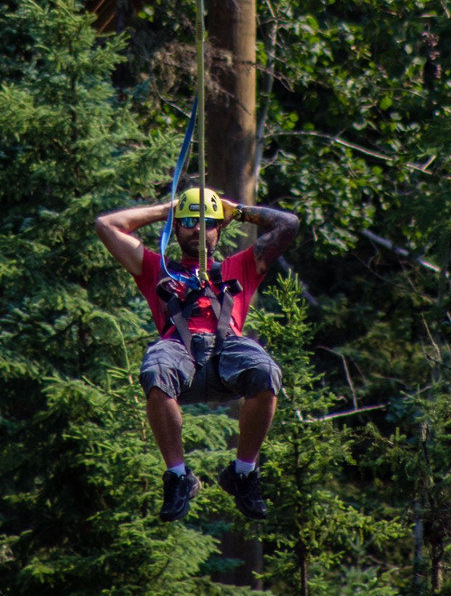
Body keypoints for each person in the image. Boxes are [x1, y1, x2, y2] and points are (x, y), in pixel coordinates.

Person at [94, 187, 299, 522]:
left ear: (220, 228)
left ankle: (243, 473)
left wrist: (239, 211)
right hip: (178, 349)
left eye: (208, 222)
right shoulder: (155, 267)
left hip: (228, 349)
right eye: (188, 221)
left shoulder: (241, 266)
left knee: (265, 370)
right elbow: (106, 225)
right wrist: (166, 210)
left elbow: (288, 224)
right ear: (176, 228)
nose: (198, 228)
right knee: (156, 368)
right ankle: (177, 477)